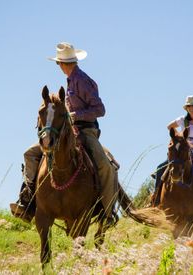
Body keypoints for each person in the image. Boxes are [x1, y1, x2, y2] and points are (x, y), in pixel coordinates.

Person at [10, 42, 117, 223]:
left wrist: (75, 115)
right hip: (65, 132)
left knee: (105, 166)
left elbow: (100, 109)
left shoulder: (83, 81)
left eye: (58, 63)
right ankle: (27, 200)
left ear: (61, 63)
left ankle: (108, 213)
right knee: (30, 154)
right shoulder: (69, 82)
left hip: (86, 131)